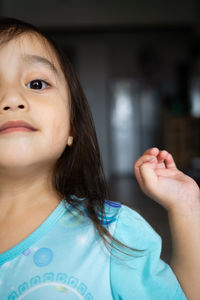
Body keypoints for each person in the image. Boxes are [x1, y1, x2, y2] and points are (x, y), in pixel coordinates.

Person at [0, 17, 199, 300]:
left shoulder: (114, 233)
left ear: (71, 126)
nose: (11, 99)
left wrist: (186, 206)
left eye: (36, 83)